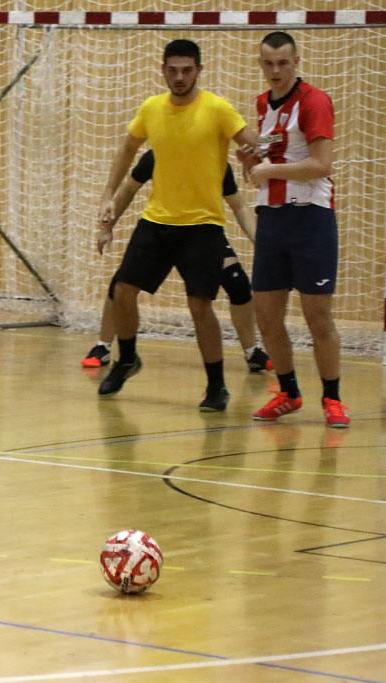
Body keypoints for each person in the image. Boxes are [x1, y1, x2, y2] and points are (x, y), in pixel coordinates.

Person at [96, 39, 257, 411]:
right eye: (173, 70)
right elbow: (127, 148)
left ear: (199, 70)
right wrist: (107, 196)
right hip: (156, 222)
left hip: (203, 226)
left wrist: (257, 153)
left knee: (200, 306)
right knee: (122, 291)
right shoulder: (151, 109)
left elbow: (250, 141)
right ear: (163, 70)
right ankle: (127, 359)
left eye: (187, 70)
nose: (180, 77)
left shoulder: (218, 109)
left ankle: (216, 386)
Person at [239, 31, 348, 427]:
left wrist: (270, 170)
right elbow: (262, 170)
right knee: (266, 316)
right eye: (268, 63)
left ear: (296, 62)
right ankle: (288, 393)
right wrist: (249, 163)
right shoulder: (262, 103)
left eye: (283, 63)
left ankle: (332, 398)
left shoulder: (314, 101)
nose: (275, 71)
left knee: (317, 317)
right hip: (272, 219)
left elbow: (321, 164)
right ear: (260, 64)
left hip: (310, 219)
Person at [85, 150, 271, 374]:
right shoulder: (157, 155)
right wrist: (108, 227)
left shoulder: (215, 161)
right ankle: (103, 346)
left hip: (201, 234)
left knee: (237, 282)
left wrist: (261, 243)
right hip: (162, 232)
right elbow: (128, 189)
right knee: (122, 284)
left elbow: (238, 205)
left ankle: (252, 353)